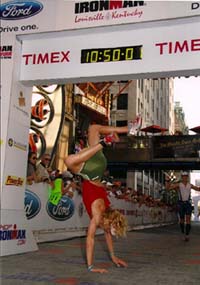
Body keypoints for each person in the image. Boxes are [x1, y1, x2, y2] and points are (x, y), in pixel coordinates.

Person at [64, 116, 142, 273]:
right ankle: (104, 142)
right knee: (68, 161)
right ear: (109, 220)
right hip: (91, 173)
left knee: (93, 128)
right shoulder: (99, 217)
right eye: (110, 227)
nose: (108, 231)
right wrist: (91, 267)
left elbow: (107, 236)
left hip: (97, 165)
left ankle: (129, 129)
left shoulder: (107, 213)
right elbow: (90, 239)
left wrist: (113, 257)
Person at [165, 171, 200, 241]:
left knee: (188, 220)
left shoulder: (190, 185)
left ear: (187, 177)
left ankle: (187, 235)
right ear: (182, 177)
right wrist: (167, 180)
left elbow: (198, 189)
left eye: (186, 176)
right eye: (183, 176)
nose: (185, 177)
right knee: (181, 220)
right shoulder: (179, 184)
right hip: (180, 203)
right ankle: (182, 232)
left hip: (188, 203)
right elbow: (168, 188)